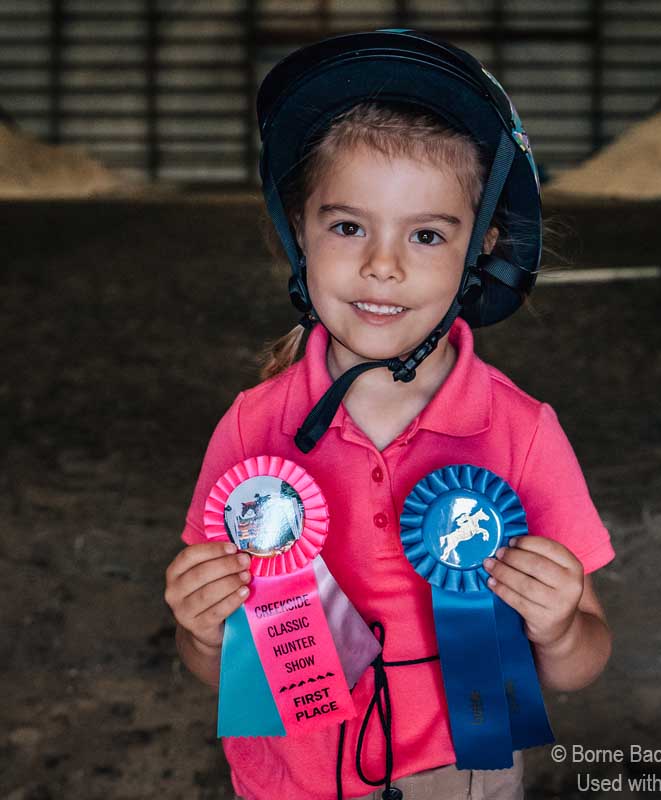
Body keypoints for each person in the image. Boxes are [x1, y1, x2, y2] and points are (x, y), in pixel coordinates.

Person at [164, 29, 615, 800]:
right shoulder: (250, 427)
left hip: (462, 776)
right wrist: (199, 628)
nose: (383, 264)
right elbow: (216, 666)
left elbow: (580, 664)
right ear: (298, 230)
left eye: (428, 235)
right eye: (347, 227)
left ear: (481, 248)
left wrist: (561, 625)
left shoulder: (523, 432)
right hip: (290, 780)